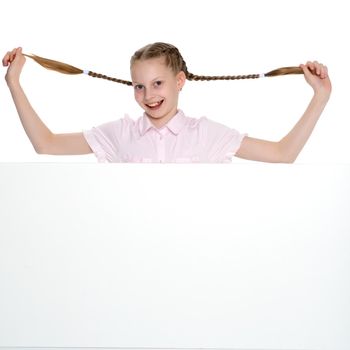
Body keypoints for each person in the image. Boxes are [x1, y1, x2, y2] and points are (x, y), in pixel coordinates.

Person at [2, 43, 331, 163]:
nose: (148, 96)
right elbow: (45, 145)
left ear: (179, 81)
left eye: (158, 83)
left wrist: (320, 97)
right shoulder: (119, 134)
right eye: (139, 86)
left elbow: (282, 154)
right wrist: (14, 84)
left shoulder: (207, 134)